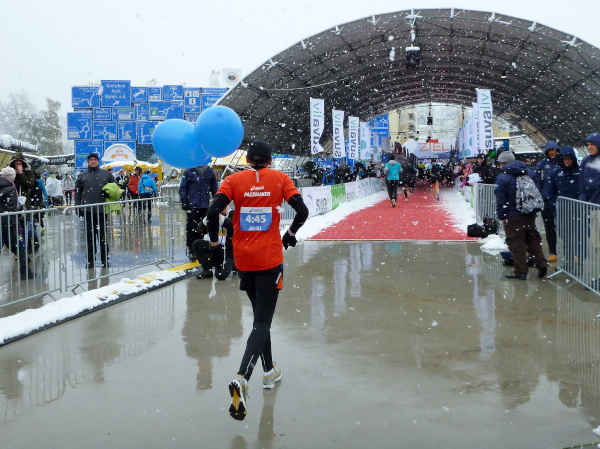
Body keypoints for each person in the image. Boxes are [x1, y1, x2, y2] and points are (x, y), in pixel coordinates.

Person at [205, 140, 309, 421]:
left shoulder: (233, 180)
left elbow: (213, 211)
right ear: (271, 160)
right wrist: (290, 234)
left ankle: (269, 371)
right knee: (262, 322)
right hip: (269, 260)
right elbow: (302, 211)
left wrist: (214, 245)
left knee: (260, 321)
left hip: (244, 260)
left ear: (248, 159)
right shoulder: (281, 179)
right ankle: (242, 377)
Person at [495, 150, 547, 280]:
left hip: (512, 215)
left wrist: (502, 215)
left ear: (503, 163)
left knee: (516, 243)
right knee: (532, 239)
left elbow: (501, 199)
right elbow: (538, 190)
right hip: (529, 213)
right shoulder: (529, 172)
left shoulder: (503, 177)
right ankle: (541, 263)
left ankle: (520, 271)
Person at [74, 153, 115, 268]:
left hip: (101, 210)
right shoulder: (82, 175)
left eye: (95, 159)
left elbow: (114, 189)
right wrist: (78, 207)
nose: (93, 161)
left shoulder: (106, 174)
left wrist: (108, 194)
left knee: (102, 236)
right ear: (88, 162)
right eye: (91, 159)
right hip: (88, 211)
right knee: (89, 237)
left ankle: (104, 260)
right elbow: (77, 193)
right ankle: (90, 260)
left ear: (98, 161)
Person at [548, 146, 580, 271]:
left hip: (578, 210)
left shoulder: (580, 172)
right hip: (562, 210)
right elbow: (551, 191)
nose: (567, 161)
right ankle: (569, 261)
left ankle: (578, 261)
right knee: (565, 236)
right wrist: (553, 205)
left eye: (569, 159)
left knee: (578, 236)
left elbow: (584, 190)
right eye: (564, 159)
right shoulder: (557, 173)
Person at [179, 163, 218, 260]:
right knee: (191, 227)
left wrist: (217, 201)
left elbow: (214, 188)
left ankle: (199, 248)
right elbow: (183, 187)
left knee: (202, 228)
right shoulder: (189, 171)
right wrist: (184, 200)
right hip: (192, 205)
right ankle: (191, 249)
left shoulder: (209, 172)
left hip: (204, 205)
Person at [0, 167, 33, 280]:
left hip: (3, 222)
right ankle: (26, 272)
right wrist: (20, 207)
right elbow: (11, 208)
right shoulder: (10, 188)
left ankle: (26, 268)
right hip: (10, 223)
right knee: (20, 245)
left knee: (13, 244)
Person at [193, 208, 235, 280]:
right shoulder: (212, 214)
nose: (221, 211)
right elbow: (200, 230)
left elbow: (234, 227)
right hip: (214, 247)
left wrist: (221, 218)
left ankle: (234, 264)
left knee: (220, 276)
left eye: (223, 208)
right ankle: (207, 269)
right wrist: (207, 218)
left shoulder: (232, 213)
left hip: (227, 249)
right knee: (197, 244)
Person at [536, 141, 560, 262]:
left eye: (554, 150)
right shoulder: (542, 165)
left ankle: (569, 252)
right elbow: (538, 181)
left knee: (564, 227)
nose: (552, 152)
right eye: (550, 150)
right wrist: (541, 194)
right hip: (546, 201)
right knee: (549, 227)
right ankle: (553, 251)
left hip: (559, 200)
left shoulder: (562, 162)